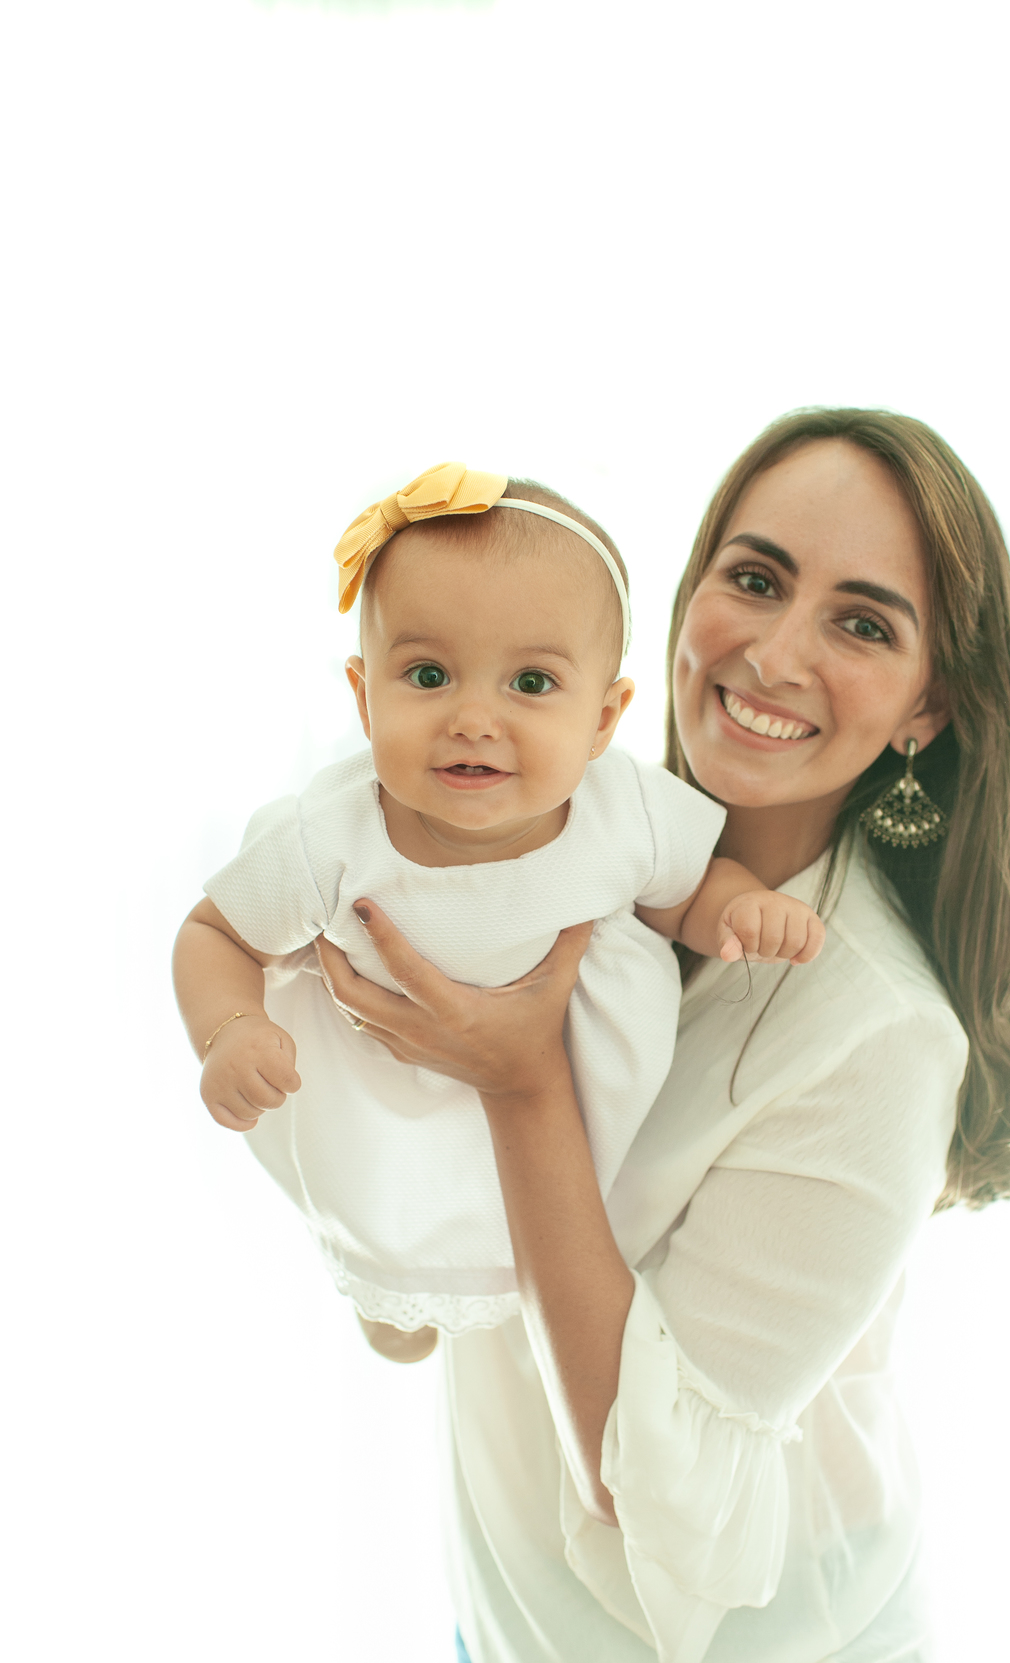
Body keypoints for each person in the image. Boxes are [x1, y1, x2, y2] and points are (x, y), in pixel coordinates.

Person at [312, 409, 1010, 1663]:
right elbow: (412, 1310)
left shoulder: (879, 1035)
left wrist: (519, 1079)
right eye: (758, 577)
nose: (774, 655)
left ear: (927, 708)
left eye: (863, 623)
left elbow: (642, 1484)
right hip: (524, 1658)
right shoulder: (565, 853)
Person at [172, 464, 823, 1360]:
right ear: (365, 700)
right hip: (384, 1090)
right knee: (390, 1212)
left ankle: (478, 1290)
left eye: (531, 684)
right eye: (430, 674)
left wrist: (740, 910)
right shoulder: (331, 838)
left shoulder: (621, 809)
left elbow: (682, 896)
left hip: (560, 1079)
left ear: (603, 720)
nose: (475, 719)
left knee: (536, 1222)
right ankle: (388, 1285)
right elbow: (215, 933)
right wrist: (230, 1027)